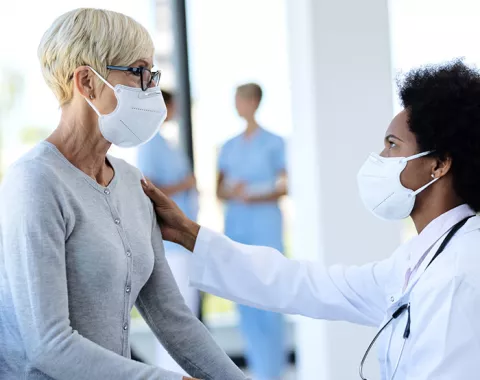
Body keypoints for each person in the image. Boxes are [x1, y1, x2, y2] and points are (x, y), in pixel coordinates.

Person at [142, 60, 480, 380]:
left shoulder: (457, 273)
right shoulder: (421, 258)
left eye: (392, 145)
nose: (380, 159)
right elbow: (309, 285)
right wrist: (191, 235)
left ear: (438, 164)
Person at [0, 8, 247, 380]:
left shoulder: (132, 183)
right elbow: (49, 345)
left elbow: (172, 318)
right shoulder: (35, 182)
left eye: (153, 75)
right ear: (87, 82)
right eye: (139, 73)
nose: (151, 90)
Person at [216, 83, 288, 380]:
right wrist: (235, 191)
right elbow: (219, 188)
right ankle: (256, 372)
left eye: (241, 100)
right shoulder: (228, 146)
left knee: (269, 298)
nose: (238, 106)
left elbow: (284, 186)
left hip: (265, 228)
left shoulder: (275, 143)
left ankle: (273, 372)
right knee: (243, 299)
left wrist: (254, 193)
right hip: (237, 228)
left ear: (255, 102)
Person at [137, 90, 200, 374]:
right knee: (177, 318)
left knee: (187, 316)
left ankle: (183, 372)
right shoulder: (150, 145)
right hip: (170, 244)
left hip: (184, 243)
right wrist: (185, 185)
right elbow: (149, 187)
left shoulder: (166, 143)